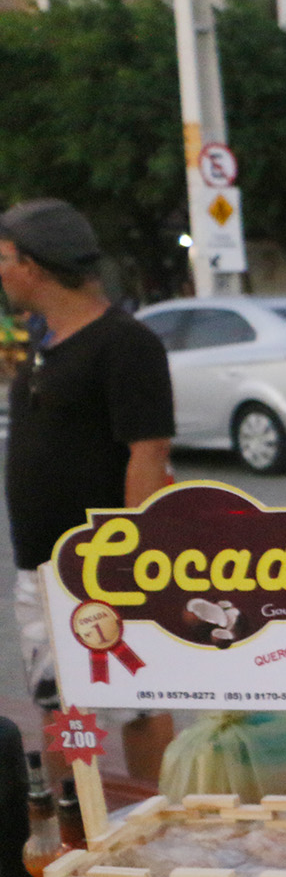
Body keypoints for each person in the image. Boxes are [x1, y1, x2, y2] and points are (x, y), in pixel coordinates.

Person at [0, 199, 176, 780]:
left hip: (103, 566)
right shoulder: (47, 343)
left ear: (33, 264)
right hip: (42, 569)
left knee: (139, 700)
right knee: (62, 702)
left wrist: (129, 558)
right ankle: (77, 827)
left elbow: (148, 456)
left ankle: (155, 817)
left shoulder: (125, 344)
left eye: (3, 258)